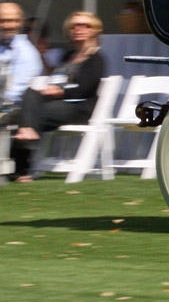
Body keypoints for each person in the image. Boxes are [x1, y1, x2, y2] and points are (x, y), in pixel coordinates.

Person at [12, 11, 107, 181]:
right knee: (30, 95)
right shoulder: (67, 56)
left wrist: (60, 92)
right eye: (74, 26)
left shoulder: (96, 59)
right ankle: (26, 137)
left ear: (95, 30)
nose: (79, 29)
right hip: (57, 103)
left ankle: (21, 168)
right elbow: (54, 76)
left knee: (30, 115)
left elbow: (85, 89)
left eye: (85, 25)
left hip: (80, 108)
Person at [0, 3, 44, 113]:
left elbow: (15, 93)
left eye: (11, 21)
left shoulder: (27, 53)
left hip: (9, 112)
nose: (7, 26)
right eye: (2, 21)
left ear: (21, 22)